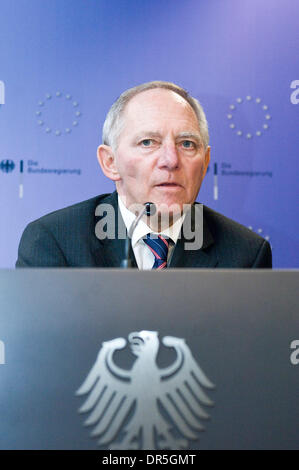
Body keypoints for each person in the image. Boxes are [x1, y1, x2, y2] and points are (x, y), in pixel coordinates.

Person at [16, 81, 272, 268]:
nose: (171, 161)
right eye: (148, 142)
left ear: (205, 163)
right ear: (110, 162)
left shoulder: (245, 254)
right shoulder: (54, 242)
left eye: (187, 144)